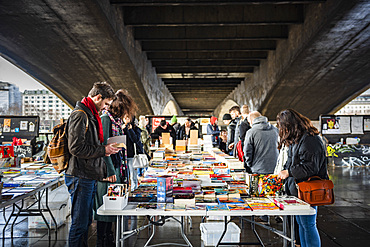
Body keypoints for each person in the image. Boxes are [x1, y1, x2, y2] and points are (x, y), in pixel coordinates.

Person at [65, 82, 120, 247]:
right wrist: (104, 150)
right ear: (98, 97)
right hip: (80, 175)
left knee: (85, 221)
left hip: (87, 174)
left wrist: (105, 150)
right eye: (106, 104)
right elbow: (76, 148)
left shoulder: (89, 114)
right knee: (80, 223)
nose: (106, 108)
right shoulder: (81, 115)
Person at [277, 109, 328, 247]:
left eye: (283, 127)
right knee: (302, 224)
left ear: (290, 126)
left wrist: (288, 172)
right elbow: (292, 161)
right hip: (299, 190)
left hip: (308, 190)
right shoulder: (298, 138)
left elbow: (312, 167)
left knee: (308, 224)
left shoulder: (310, 139)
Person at [94, 89, 137, 247]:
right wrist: (111, 171)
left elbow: (118, 149)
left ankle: (108, 238)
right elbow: (104, 148)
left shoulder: (116, 123)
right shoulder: (107, 119)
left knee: (112, 210)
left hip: (116, 170)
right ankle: (103, 240)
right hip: (107, 173)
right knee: (105, 210)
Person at [124, 115, 143, 191]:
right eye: (125, 118)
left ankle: (134, 190)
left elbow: (135, 140)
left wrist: (130, 130)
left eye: (128, 117)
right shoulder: (121, 127)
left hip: (132, 155)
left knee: (133, 176)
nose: (126, 119)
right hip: (123, 155)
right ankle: (126, 191)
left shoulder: (136, 129)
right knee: (125, 176)